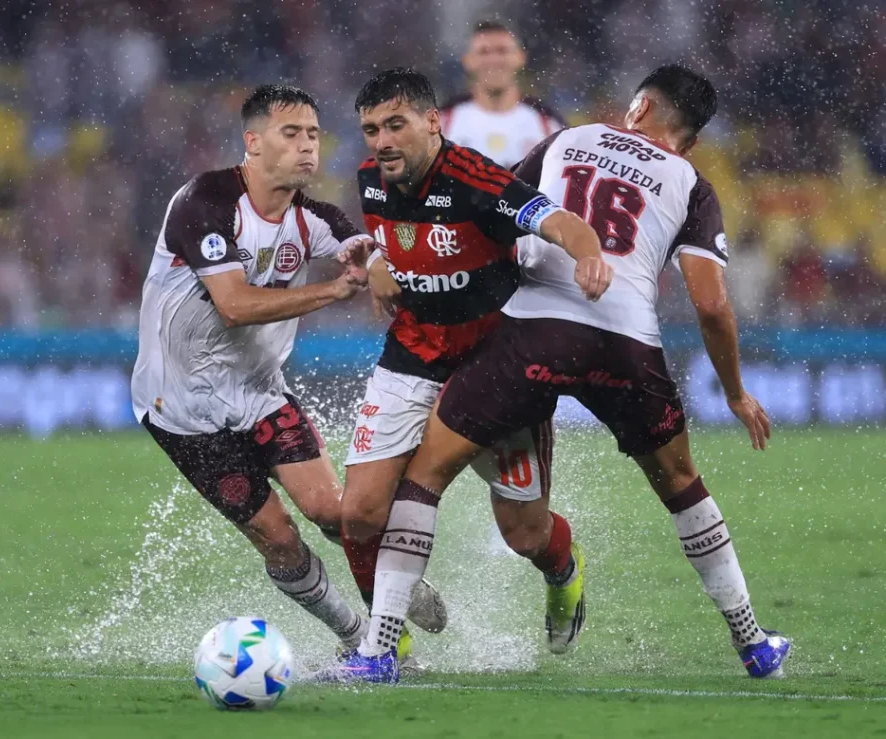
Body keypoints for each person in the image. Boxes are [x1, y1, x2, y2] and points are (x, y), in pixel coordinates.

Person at [342, 65, 790, 682]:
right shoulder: (691, 181)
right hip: (627, 342)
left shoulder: (567, 140)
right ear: (690, 136)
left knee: (425, 477)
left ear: (637, 107)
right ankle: (753, 643)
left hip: (533, 335)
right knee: (682, 483)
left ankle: (377, 655)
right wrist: (736, 393)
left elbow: (507, 217)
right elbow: (711, 305)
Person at [129, 84, 444, 655]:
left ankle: (393, 591)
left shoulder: (313, 217)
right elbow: (234, 305)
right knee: (280, 539)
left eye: (314, 135)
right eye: (290, 133)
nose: (307, 147)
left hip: (261, 394)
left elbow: (359, 248)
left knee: (336, 511)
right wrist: (333, 289)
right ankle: (354, 634)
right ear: (252, 142)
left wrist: (373, 263)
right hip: (182, 412)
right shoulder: (204, 202)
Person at [336, 68, 609, 658]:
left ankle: (564, 571)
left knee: (525, 533)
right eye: (370, 130)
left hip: (496, 370)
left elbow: (557, 220)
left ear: (433, 122)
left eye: (395, 125)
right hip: (411, 354)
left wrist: (589, 256)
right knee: (358, 514)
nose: (382, 141)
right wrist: (380, 259)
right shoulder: (370, 181)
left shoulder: (478, 182)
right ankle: (390, 639)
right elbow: (395, 237)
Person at [440, 20, 565, 169]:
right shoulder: (441, 125)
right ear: (468, 61)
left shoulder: (548, 126)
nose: (494, 60)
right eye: (484, 52)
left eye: (502, 50)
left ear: (520, 57)